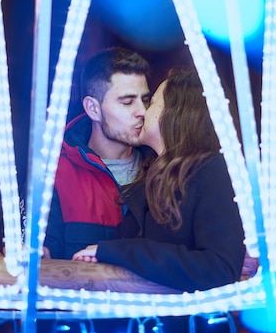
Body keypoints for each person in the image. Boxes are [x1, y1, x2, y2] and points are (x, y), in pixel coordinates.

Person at [72, 70, 246, 292]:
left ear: (175, 114)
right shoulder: (153, 176)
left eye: (151, 103)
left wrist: (119, 252)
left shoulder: (214, 170)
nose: (143, 113)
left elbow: (220, 267)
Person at [42, 47, 152, 259]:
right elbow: (45, 250)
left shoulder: (163, 165)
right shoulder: (55, 171)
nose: (142, 112)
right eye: (128, 102)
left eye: (146, 100)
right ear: (93, 108)